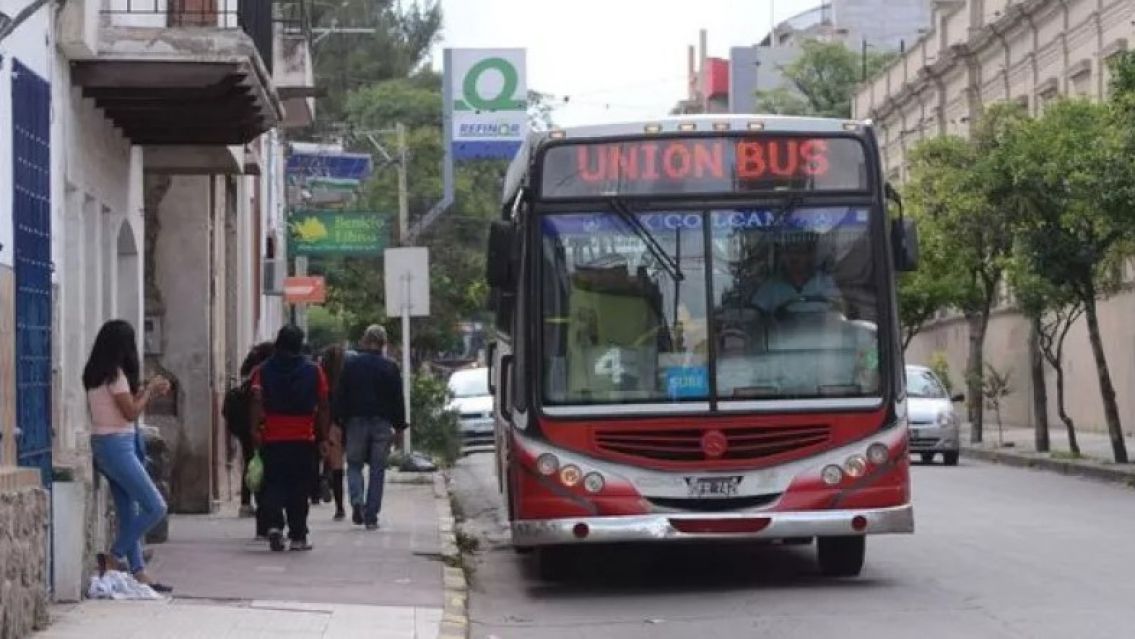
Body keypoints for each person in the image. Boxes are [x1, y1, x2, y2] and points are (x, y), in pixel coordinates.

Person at [83, 320, 172, 592]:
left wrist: (143, 389)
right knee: (155, 506)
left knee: (128, 511)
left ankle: (139, 572)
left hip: (106, 444)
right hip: (117, 446)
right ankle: (113, 556)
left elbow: (120, 406)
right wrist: (150, 392)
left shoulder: (95, 374)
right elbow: (131, 412)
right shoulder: (116, 376)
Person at [249, 325, 330, 552]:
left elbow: (256, 401)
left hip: (272, 436)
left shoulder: (262, 370)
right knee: (299, 488)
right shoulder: (314, 371)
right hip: (303, 437)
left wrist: (254, 430)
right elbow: (323, 405)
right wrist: (324, 437)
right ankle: (298, 536)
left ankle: (275, 526)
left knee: (273, 483)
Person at [334, 325, 408, 530]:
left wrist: (338, 421)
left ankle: (357, 502)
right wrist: (399, 428)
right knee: (377, 469)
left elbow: (341, 394)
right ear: (384, 344)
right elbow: (397, 400)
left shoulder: (351, 365)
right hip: (382, 423)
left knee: (354, 464)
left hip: (355, 421)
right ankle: (371, 515)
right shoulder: (390, 367)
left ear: (365, 341)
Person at [223, 341, 274, 536]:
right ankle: (261, 508)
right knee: (262, 466)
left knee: (250, 462)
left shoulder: (249, 371)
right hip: (258, 426)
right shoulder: (264, 373)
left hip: (245, 426)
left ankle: (246, 502)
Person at [751, 232, 842, 315]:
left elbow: (840, 310)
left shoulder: (825, 282)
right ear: (782, 255)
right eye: (789, 252)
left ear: (810, 255)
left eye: (800, 252)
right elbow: (754, 315)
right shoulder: (771, 287)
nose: (794, 257)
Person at [320, 345, 348, 521]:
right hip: (348, 424)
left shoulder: (322, 378)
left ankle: (339, 508)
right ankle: (356, 501)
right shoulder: (348, 378)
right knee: (353, 465)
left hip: (331, 426)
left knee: (336, 467)